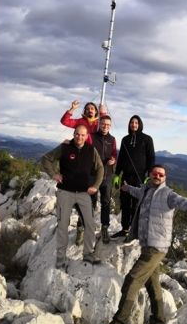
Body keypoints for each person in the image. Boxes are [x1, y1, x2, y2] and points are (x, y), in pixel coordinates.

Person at [92, 164, 187, 324]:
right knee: (153, 285)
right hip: (147, 245)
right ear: (150, 175)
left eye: (161, 174)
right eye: (155, 173)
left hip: (156, 248)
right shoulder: (146, 190)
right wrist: (126, 188)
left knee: (131, 281)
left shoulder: (168, 195)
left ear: (165, 178)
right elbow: (137, 191)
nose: (157, 176)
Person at [42, 124, 105, 268]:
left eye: (83, 135)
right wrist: (53, 174)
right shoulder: (65, 147)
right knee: (63, 225)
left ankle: (88, 253)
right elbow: (46, 158)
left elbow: (100, 168)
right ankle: (60, 258)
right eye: (77, 134)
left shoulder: (91, 150)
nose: (79, 137)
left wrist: (95, 186)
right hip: (65, 192)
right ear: (74, 133)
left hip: (83, 193)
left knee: (90, 224)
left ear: (86, 136)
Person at [112, 115, 154, 238]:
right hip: (126, 176)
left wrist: (149, 175)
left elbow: (151, 158)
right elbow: (121, 158)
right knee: (125, 203)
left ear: (140, 124)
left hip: (140, 177)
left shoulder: (147, 139)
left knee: (137, 204)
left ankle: (135, 231)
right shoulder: (125, 139)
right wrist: (117, 174)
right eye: (132, 122)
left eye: (136, 123)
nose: (134, 125)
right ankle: (124, 229)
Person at [90, 115, 118, 244]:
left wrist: (113, 160)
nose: (105, 126)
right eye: (103, 124)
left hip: (107, 175)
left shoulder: (112, 139)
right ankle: (83, 227)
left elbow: (114, 155)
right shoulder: (91, 136)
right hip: (93, 176)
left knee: (106, 203)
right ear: (99, 124)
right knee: (90, 202)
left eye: (108, 125)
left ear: (110, 126)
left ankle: (105, 228)